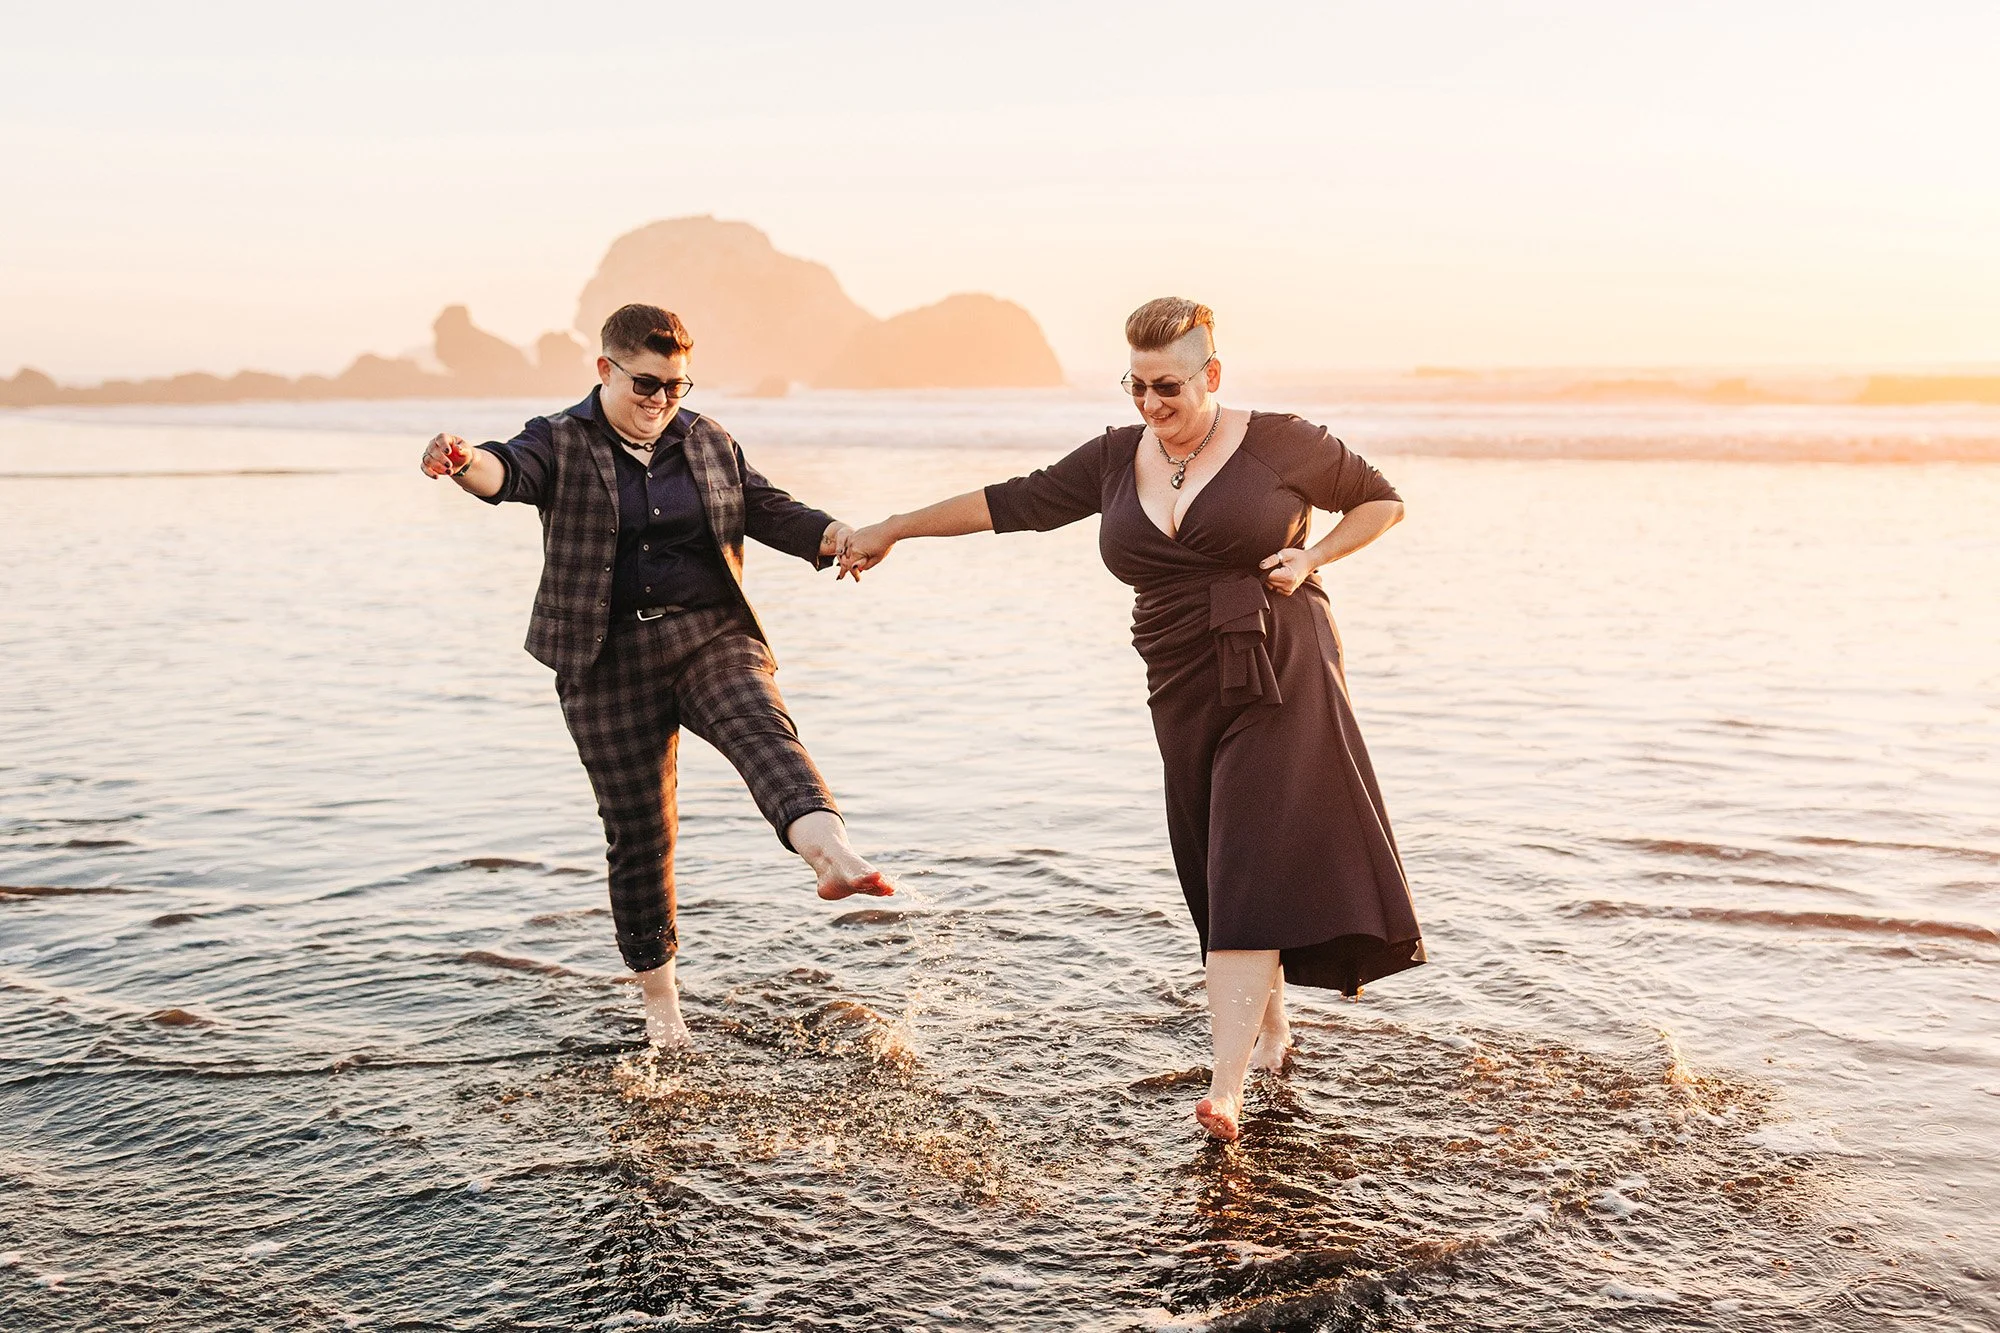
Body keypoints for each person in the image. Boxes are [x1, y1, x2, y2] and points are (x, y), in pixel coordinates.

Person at [839, 298, 1423, 1141]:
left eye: (1169, 387)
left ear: (1211, 375)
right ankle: (1272, 1029)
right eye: (1137, 386)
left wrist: (1315, 554)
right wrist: (895, 526)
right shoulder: (1118, 457)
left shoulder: (1282, 440)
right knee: (1209, 857)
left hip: (1277, 663)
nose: (1151, 405)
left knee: (1245, 858)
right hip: (1178, 674)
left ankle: (1226, 1088)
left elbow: (1380, 501)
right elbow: (1016, 502)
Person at [420, 302, 891, 1049]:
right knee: (641, 834)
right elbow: (504, 471)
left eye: (678, 385)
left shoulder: (705, 440)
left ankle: (828, 851)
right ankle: (662, 1004)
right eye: (647, 384)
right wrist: (461, 462)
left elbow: (767, 507)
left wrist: (834, 535)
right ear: (604, 370)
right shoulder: (561, 439)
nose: (662, 401)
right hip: (603, 660)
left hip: (709, 633)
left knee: (760, 725)